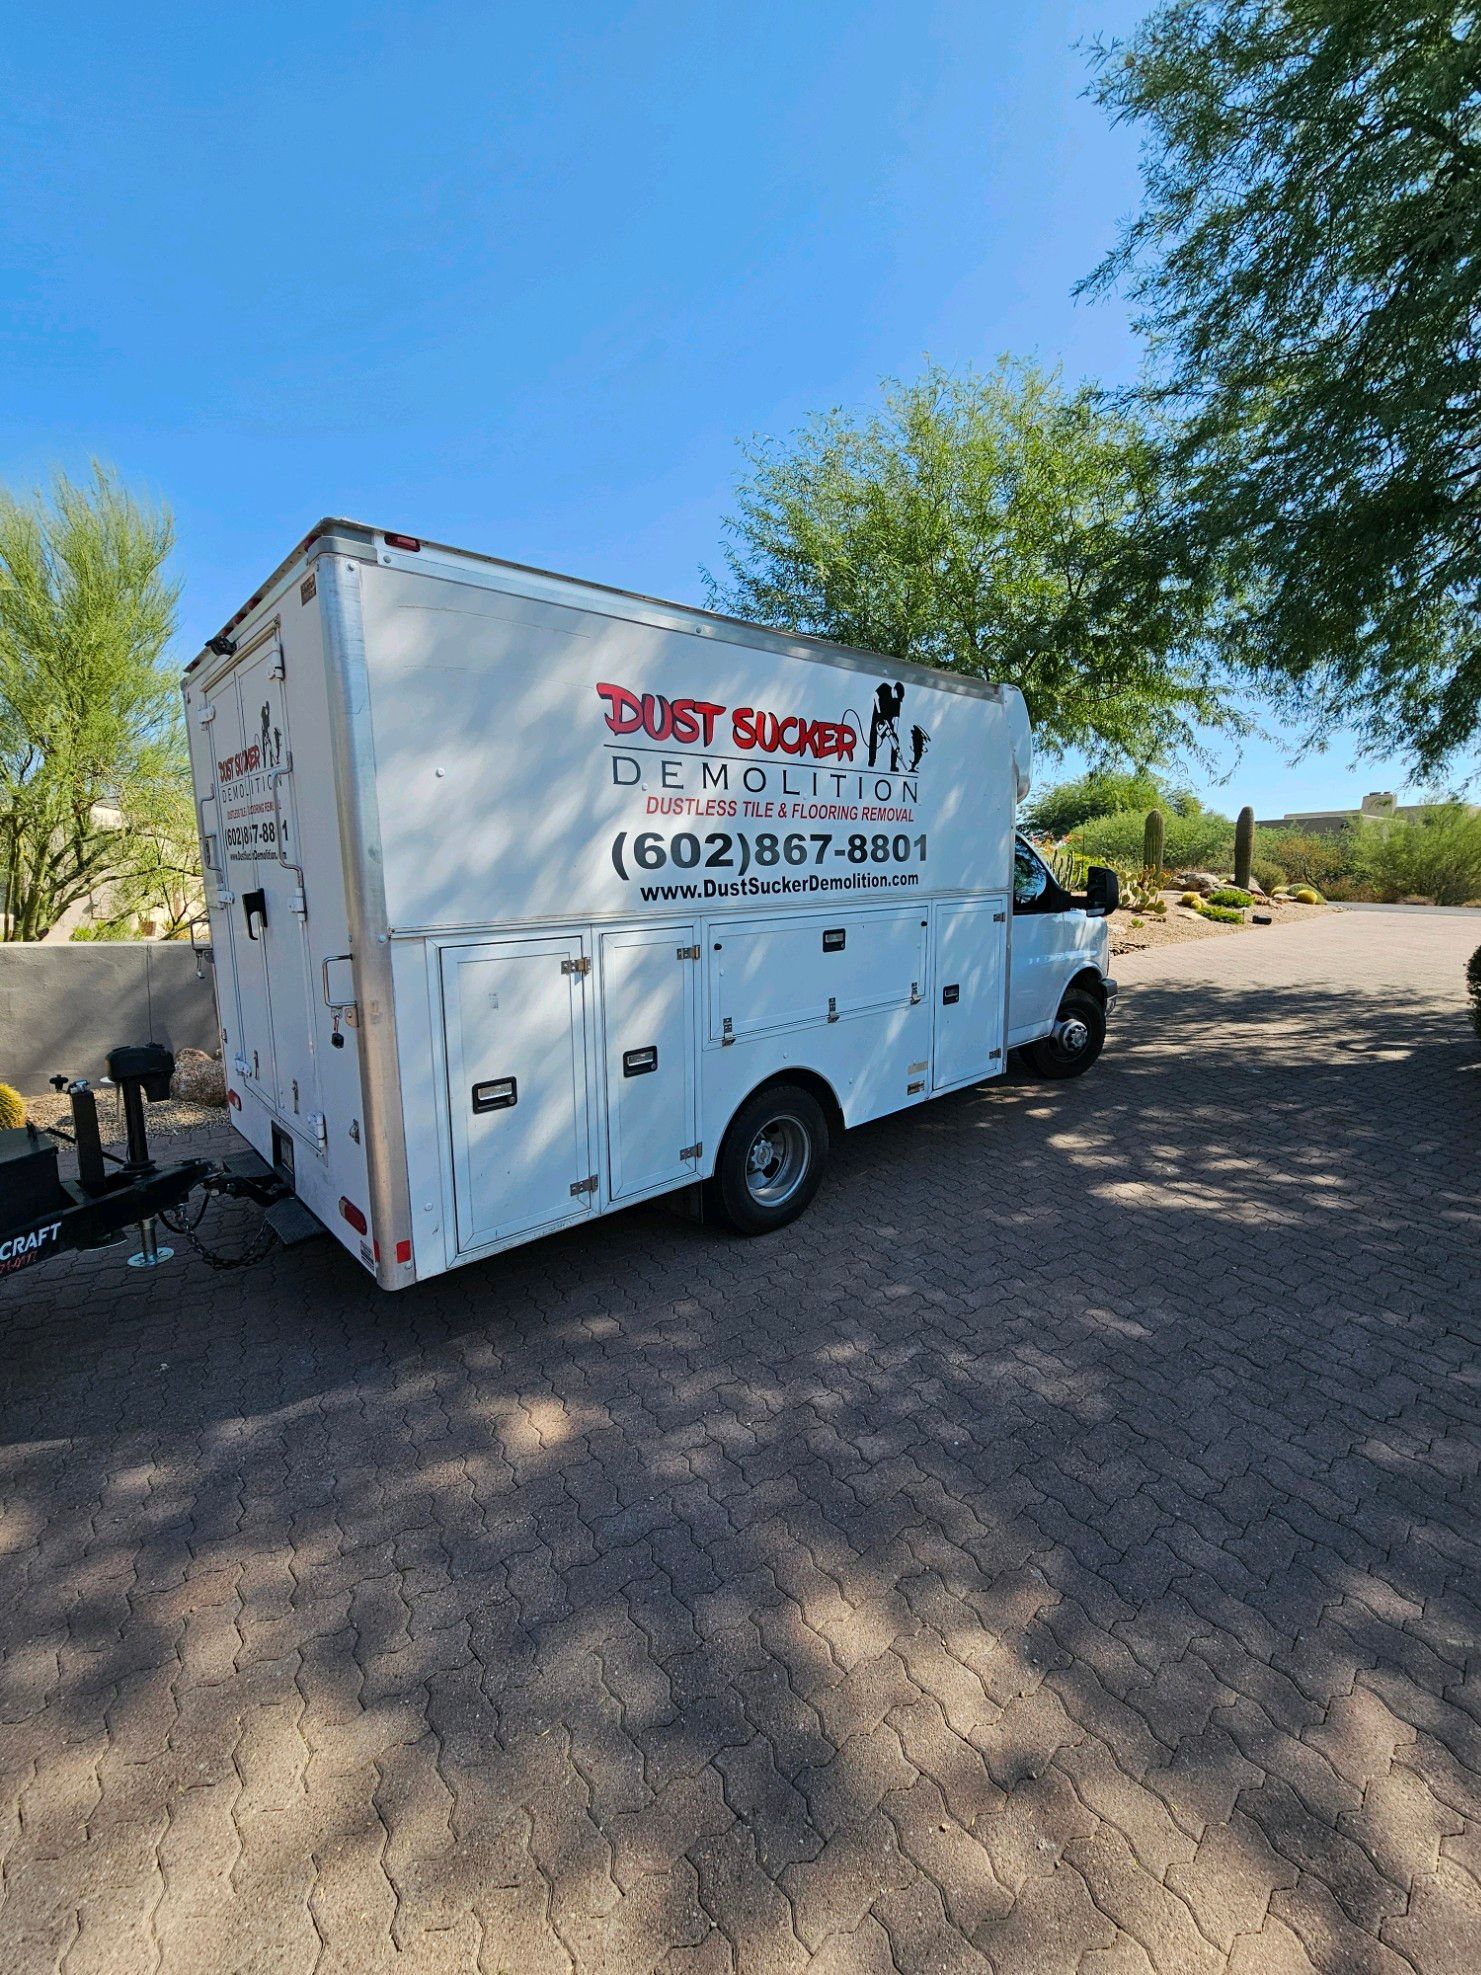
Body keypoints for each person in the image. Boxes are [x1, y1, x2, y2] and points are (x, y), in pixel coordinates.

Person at [869, 682, 905, 770]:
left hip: (888, 721)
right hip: (877, 717)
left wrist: (894, 733)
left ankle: (893, 765)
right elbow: (875, 696)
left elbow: (896, 718)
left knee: (895, 740)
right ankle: (871, 761)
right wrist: (879, 712)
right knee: (873, 736)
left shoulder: (897, 702)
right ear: (895, 690)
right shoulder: (885, 687)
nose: (897, 699)